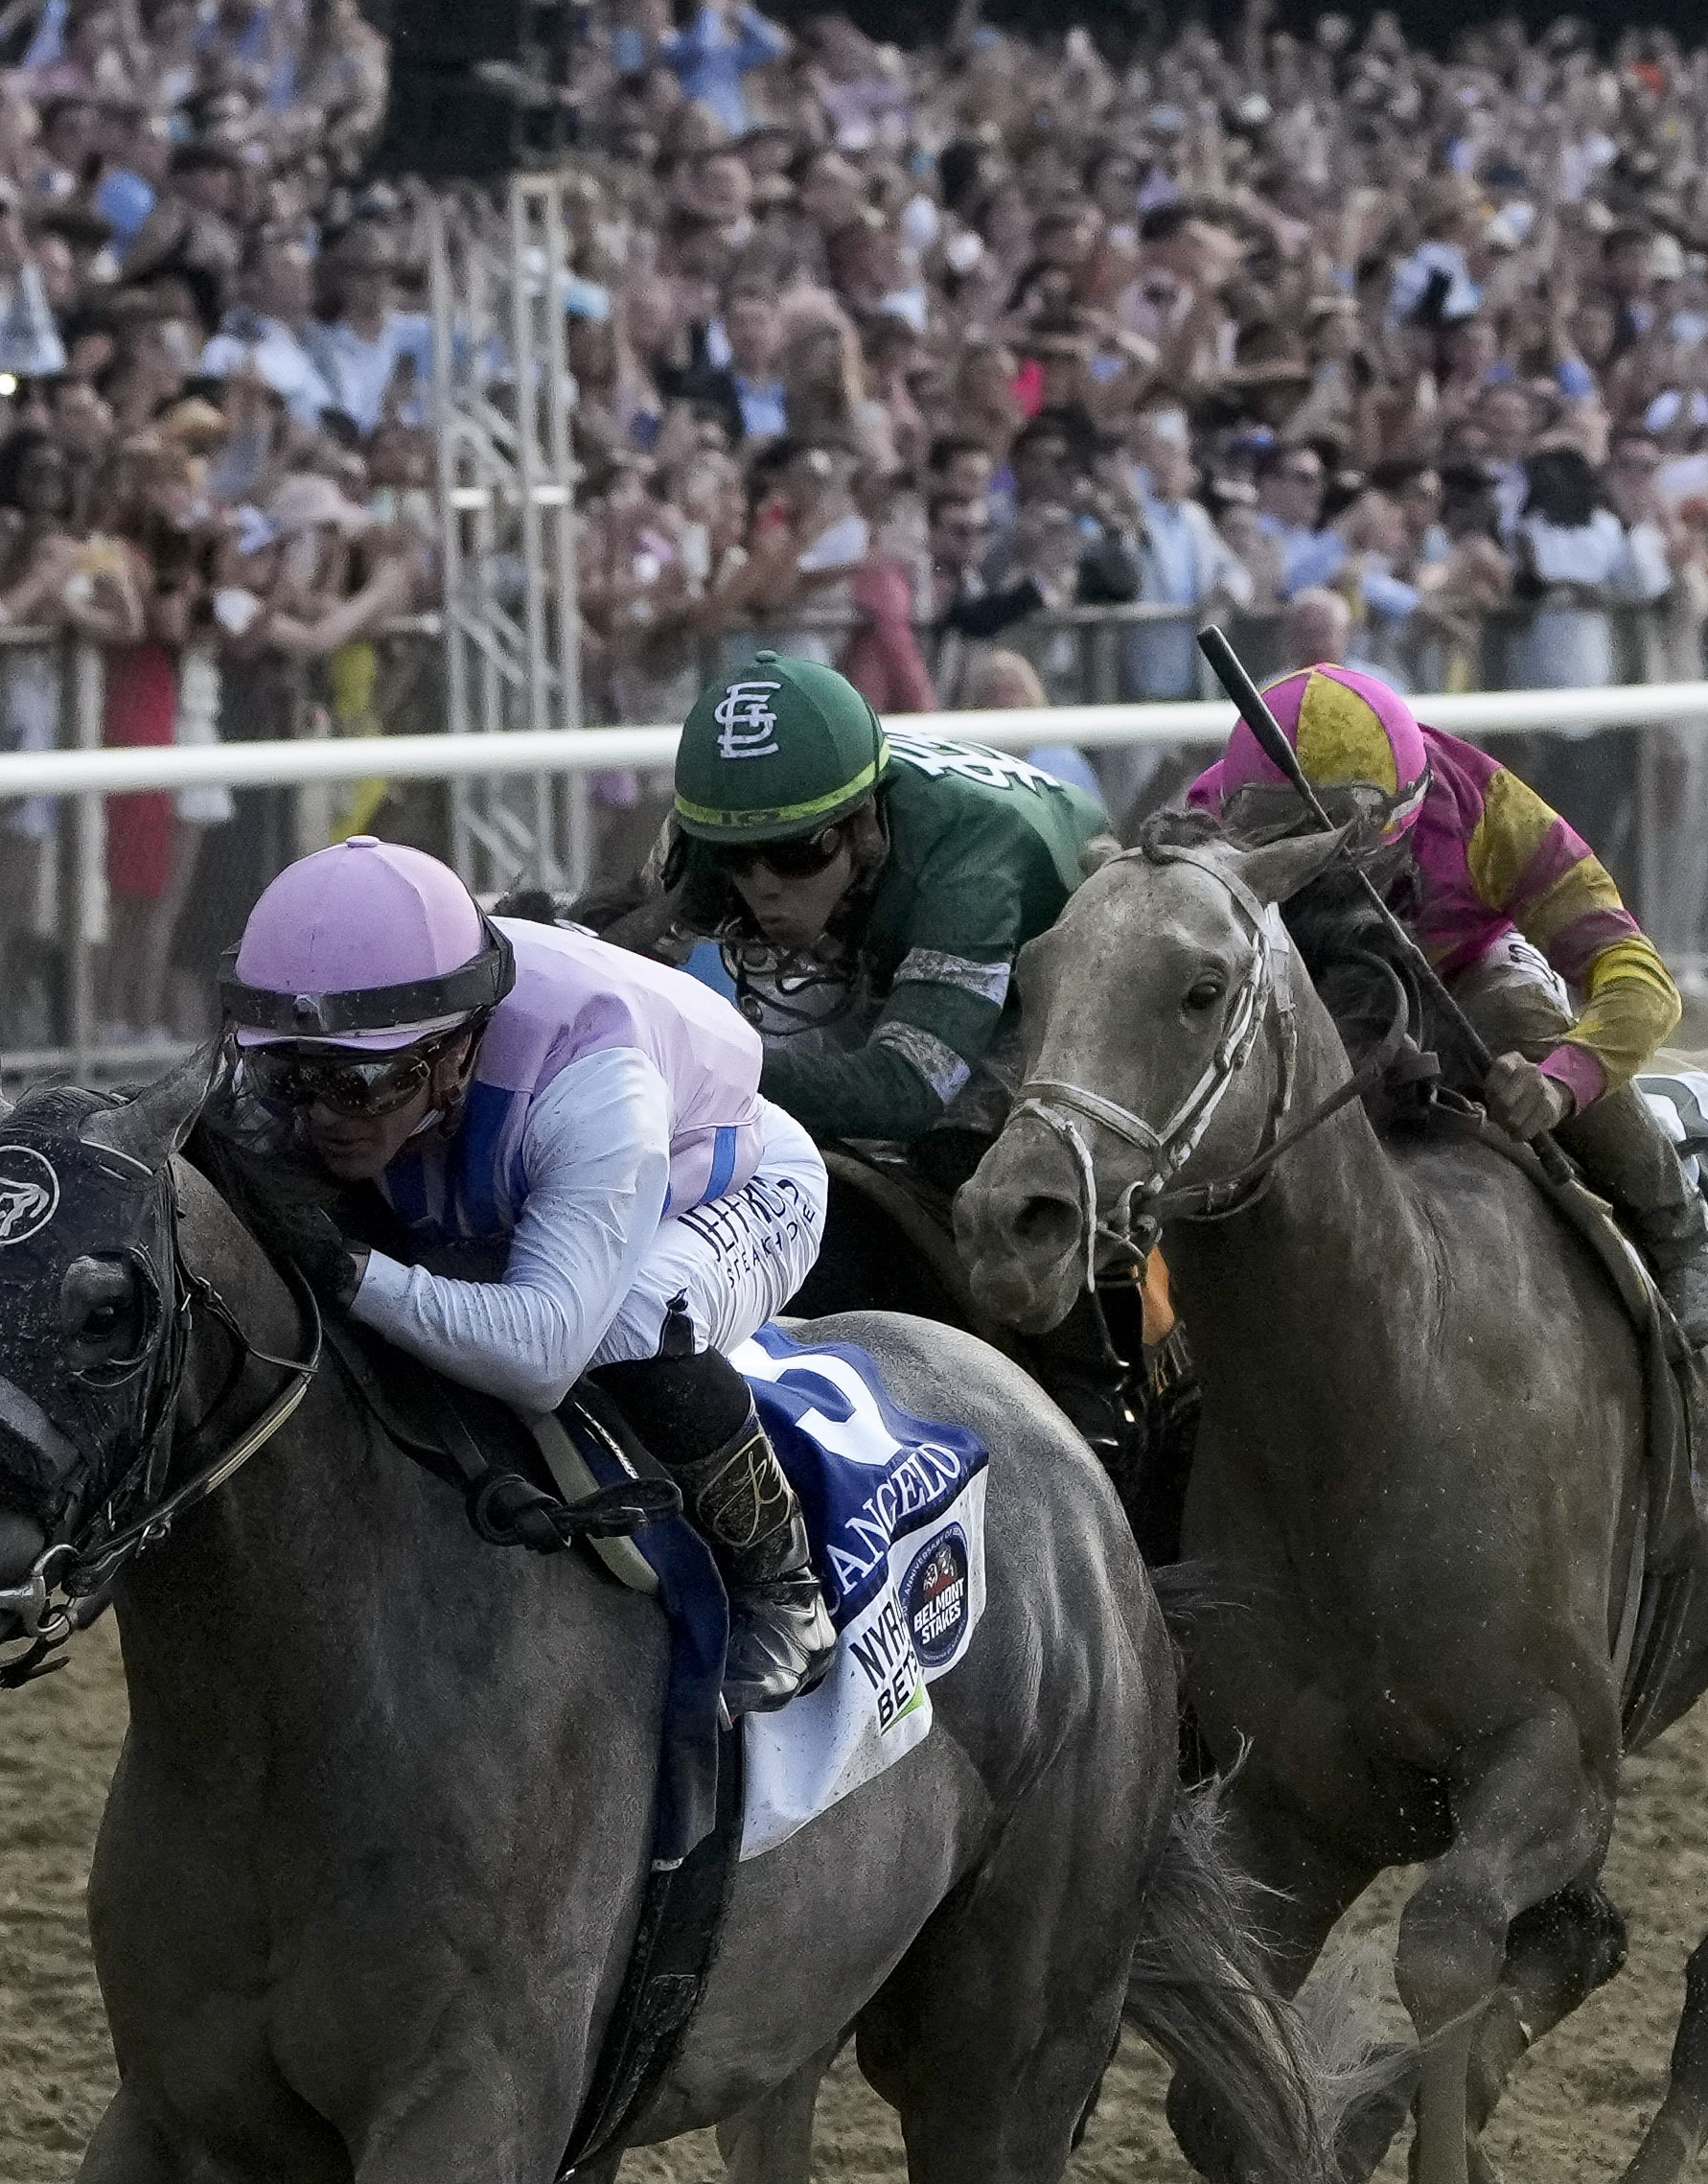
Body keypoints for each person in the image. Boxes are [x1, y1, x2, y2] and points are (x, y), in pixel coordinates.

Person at [199, 836, 842, 1713]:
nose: (319, 1114)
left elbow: (542, 1353)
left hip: (728, 1184)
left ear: (459, 1049)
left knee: (624, 1326)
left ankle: (783, 1583)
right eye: (292, 1074)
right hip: (496, 1168)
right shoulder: (340, 1038)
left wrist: (353, 1275)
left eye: (359, 1082)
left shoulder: (594, 1086)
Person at [1175, 658, 1708, 1340]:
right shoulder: (1197, 829)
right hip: (1293, 987)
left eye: (1339, 853)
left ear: (1408, 812)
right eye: (1289, 849)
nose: (1315, 873)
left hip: (1458, 975)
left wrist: (1560, 1083)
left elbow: (1636, 975)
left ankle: (1679, 1232)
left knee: (1517, 1012)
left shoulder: (1488, 809)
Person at [648, 647, 1102, 1200]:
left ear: (863, 824)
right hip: (898, 911)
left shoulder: (968, 867)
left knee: (957, 1155)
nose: (763, 884)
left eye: (795, 853)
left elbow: (907, 1089)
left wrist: (709, 1067)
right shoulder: (714, 820)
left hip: (1062, 969)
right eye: (732, 857)